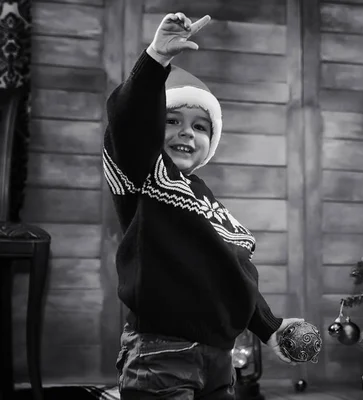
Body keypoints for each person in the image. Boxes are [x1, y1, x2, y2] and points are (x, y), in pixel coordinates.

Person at [102, 12, 303, 399]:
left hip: (218, 358)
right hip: (161, 353)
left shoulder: (206, 200)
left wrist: (270, 326)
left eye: (199, 126)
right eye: (171, 120)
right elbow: (128, 123)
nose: (185, 133)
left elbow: (233, 270)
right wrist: (156, 59)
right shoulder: (144, 173)